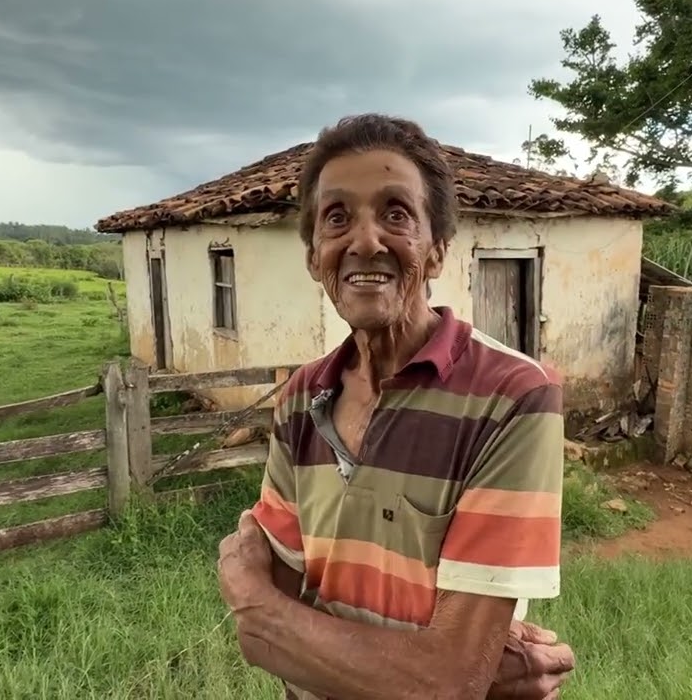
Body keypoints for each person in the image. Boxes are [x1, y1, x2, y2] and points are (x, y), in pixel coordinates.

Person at [216, 114, 575, 700]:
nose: (364, 241)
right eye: (337, 218)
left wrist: (263, 616)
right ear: (314, 257)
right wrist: (441, 671)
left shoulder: (513, 396)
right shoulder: (301, 401)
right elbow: (444, 676)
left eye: (395, 214)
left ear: (435, 252)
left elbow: (445, 681)